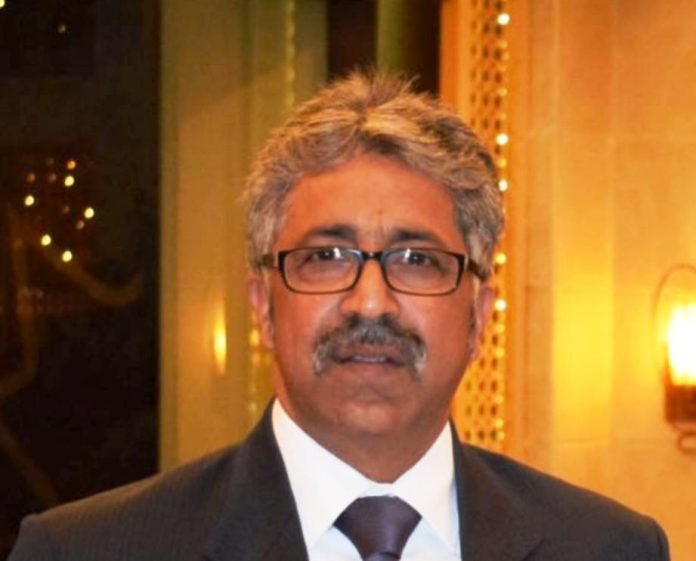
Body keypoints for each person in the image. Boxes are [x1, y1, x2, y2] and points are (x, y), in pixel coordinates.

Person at [8, 72, 669, 561]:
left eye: (416, 258)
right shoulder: (84, 552)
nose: (371, 301)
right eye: (326, 257)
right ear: (264, 306)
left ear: (477, 315)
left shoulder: (610, 548)